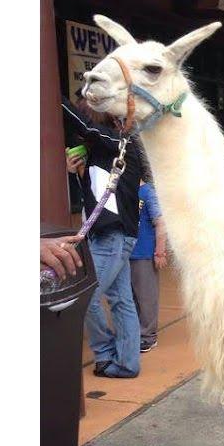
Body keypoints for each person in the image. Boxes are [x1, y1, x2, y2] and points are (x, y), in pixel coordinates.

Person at [63, 98, 143, 378]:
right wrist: (75, 172)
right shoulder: (108, 148)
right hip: (115, 235)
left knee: (86, 298)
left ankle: (107, 355)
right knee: (122, 301)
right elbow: (93, 197)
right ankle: (127, 363)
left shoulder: (116, 142)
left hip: (112, 236)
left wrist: (54, 96)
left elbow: (85, 126)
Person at [130, 175, 167, 353]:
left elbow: (160, 223)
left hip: (144, 252)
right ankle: (133, 334)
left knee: (146, 297)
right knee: (129, 298)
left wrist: (160, 251)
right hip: (126, 253)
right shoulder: (126, 189)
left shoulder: (148, 192)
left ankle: (148, 337)